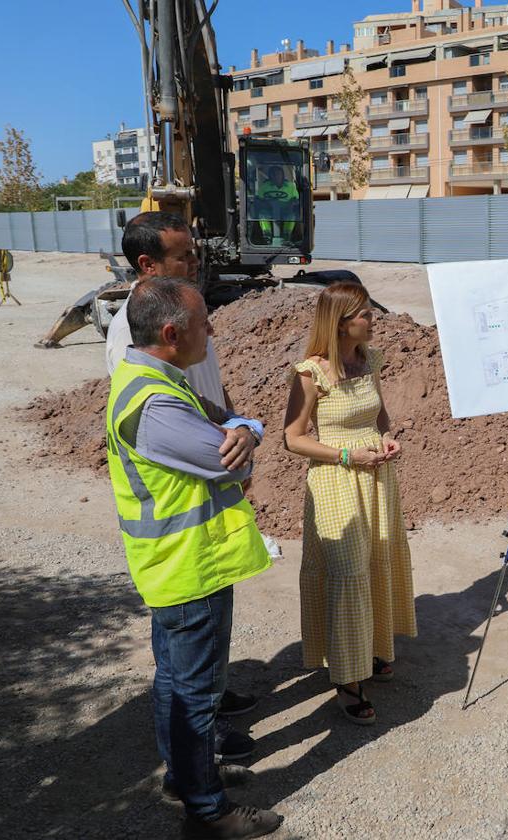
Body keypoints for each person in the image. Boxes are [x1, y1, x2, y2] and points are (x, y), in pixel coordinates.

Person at [106, 277, 282, 839]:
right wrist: (245, 439)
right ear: (170, 332)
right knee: (195, 694)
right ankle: (209, 810)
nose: (212, 328)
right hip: (189, 567)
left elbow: (231, 422)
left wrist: (247, 427)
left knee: (175, 685)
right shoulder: (155, 404)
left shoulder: (150, 378)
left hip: (178, 564)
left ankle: (185, 775)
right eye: (204, 320)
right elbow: (233, 460)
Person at [105, 210, 260, 763]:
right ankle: (199, 778)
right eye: (183, 255)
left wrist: (240, 423)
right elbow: (220, 458)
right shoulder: (141, 334)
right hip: (184, 546)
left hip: (197, 512)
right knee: (184, 671)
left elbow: (209, 406)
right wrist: (236, 440)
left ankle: (204, 723)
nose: (196, 260)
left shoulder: (180, 314)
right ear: (148, 264)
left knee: (188, 664)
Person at [282, 281, 416, 723]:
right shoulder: (311, 372)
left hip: (377, 477)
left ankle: (370, 650)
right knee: (348, 574)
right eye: (365, 314)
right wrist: (346, 454)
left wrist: (387, 439)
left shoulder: (370, 360)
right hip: (336, 480)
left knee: (376, 561)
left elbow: (378, 416)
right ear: (340, 324)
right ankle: (347, 676)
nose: (373, 319)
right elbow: (293, 438)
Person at [256, 165, 298, 243]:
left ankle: (287, 236)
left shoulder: (291, 186)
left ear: (282, 175)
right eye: (273, 174)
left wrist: (290, 204)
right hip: (269, 210)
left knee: (291, 216)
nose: (276, 176)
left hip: (286, 210)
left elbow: (295, 199)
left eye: (278, 174)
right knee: (262, 215)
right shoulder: (264, 187)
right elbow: (259, 200)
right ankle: (267, 235)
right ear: (270, 176)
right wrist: (265, 204)